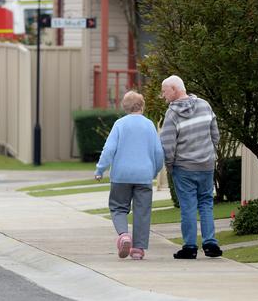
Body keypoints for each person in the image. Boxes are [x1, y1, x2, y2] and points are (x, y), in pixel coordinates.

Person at [94, 91, 164, 260]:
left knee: (118, 207)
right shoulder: (149, 125)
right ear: (142, 106)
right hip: (144, 175)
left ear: (124, 107)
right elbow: (158, 152)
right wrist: (154, 171)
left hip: (121, 176)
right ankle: (138, 249)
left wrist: (100, 169)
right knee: (142, 211)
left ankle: (124, 235)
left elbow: (109, 149)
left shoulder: (120, 124)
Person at [159, 75, 223, 259]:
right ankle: (210, 243)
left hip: (184, 167)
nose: (163, 96)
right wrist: (210, 154)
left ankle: (189, 247)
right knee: (206, 203)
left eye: (164, 91)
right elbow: (215, 135)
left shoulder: (172, 114)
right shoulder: (205, 105)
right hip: (206, 165)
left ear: (174, 89)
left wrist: (170, 166)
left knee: (188, 206)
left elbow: (168, 144)